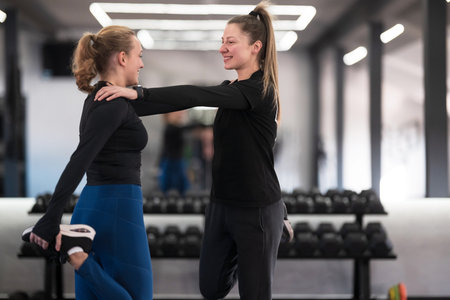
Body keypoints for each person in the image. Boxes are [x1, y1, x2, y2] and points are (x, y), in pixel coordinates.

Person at [95, 2, 293, 299]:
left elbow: (195, 94)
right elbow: (182, 101)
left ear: (255, 47)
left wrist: (140, 92)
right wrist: (124, 103)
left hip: (256, 209)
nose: (222, 48)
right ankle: (259, 243)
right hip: (221, 205)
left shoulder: (259, 90)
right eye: (221, 41)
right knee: (211, 288)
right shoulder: (233, 89)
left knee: (255, 294)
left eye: (230, 41)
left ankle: (268, 234)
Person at [22, 25, 188, 300]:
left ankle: (78, 254)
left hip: (98, 206)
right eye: (139, 55)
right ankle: (77, 256)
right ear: (122, 58)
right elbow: (80, 159)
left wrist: (222, 94)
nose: (142, 63)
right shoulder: (112, 104)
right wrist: (51, 218)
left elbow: (173, 99)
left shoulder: (106, 98)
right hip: (118, 208)